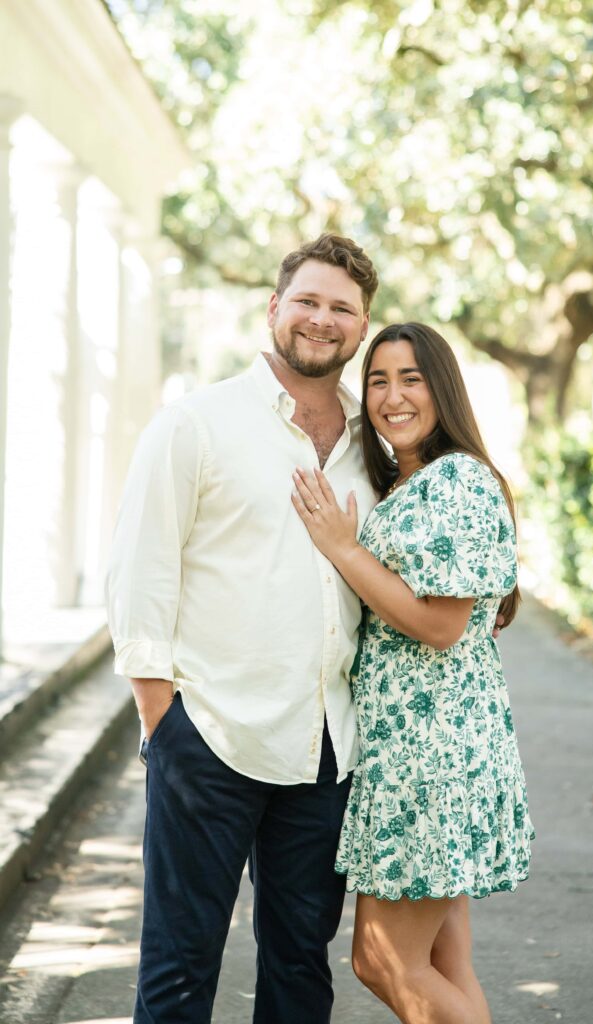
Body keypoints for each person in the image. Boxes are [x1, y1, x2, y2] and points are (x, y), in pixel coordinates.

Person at [105, 233, 381, 1024]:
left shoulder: (374, 445)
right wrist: (163, 720)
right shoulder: (196, 424)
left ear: (362, 326)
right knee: (179, 968)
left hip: (325, 747)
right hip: (210, 735)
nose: (321, 320)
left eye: (341, 308)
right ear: (272, 308)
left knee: (300, 967)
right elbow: (140, 572)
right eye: (306, 301)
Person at [292, 322, 534, 1024]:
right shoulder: (408, 483)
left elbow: (440, 624)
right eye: (378, 380)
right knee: (442, 964)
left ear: (442, 389)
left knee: (384, 960)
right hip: (410, 750)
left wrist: (343, 548)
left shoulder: (456, 480)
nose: (392, 396)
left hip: (434, 754)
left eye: (411, 379)